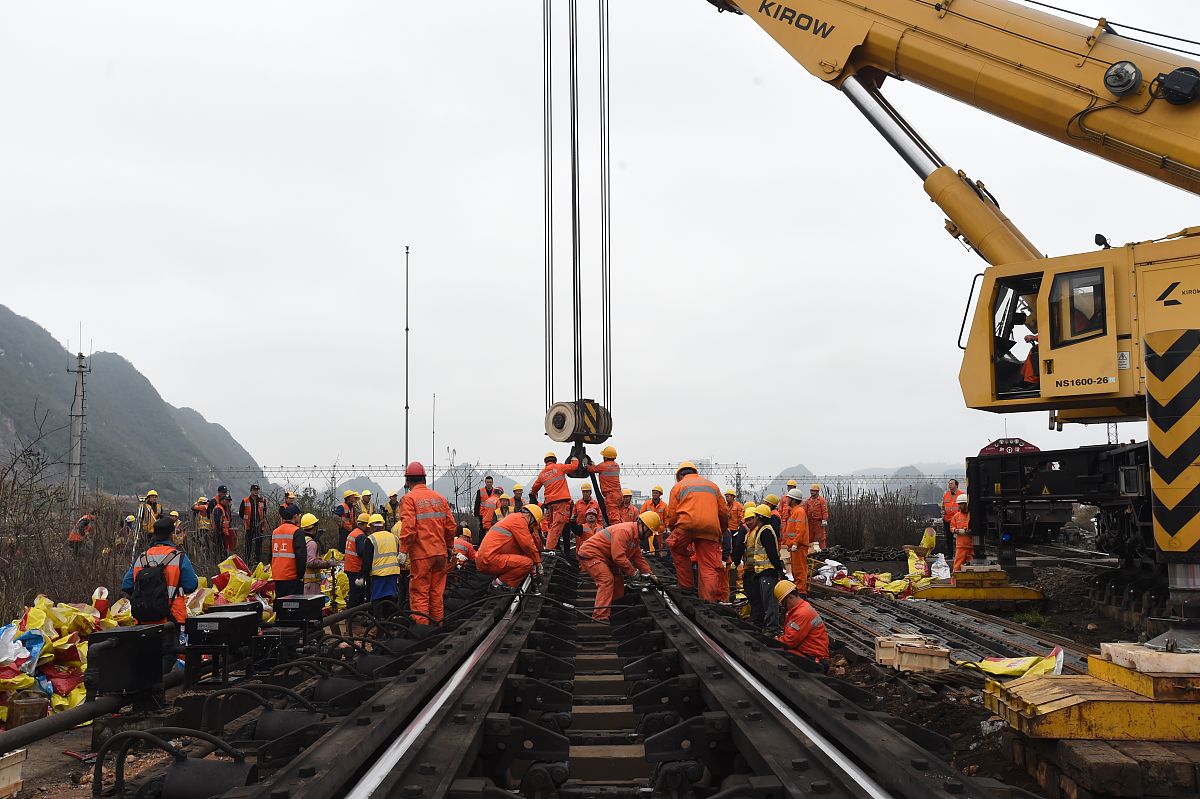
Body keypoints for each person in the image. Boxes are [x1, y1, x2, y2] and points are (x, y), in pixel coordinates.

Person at [122, 517, 199, 671]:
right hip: (170, 618)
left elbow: (127, 584)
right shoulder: (178, 557)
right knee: (168, 656)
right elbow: (191, 585)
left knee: (147, 658)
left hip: (143, 619)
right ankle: (160, 691)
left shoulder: (141, 558)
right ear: (171, 535)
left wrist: (146, 598)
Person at [399, 461, 457, 625]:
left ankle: (422, 632)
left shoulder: (409, 499)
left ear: (408, 481)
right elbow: (451, 526)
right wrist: (450, 547)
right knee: (436, 593)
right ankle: (438, 626)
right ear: (424, 479)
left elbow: (409, 527)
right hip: (440, 554)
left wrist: (403, 550)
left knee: (420, 593)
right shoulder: (440, 499)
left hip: (422, 556)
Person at [577, 512, 661, 621]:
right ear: (642, 525)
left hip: (605, 557)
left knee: (618, 582)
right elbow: (618, 558)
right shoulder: (624, 531)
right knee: (606, 580)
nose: (650, 535)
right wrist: (633, 573)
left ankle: (615, 612)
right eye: (650, 532)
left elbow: (638, 558)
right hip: (592, 554)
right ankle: (600, 617)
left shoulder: (635, 538)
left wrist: (651, 575)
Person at [666, 461, 730, 603]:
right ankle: (709, 601)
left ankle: (686, 586)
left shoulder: (678, 487)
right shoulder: (712, 486)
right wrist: (720, 531)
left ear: (680, 475)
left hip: (686, 526)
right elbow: (724, 513)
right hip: (711, 529)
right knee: (708, 566)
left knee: (675, 547)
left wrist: (673, 530)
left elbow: (671, 515)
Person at [477, 504, 544, 588]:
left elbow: (521, 550)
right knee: (527, 564)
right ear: (530, 516)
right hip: (489, 559)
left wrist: (533, 570)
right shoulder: (519, 520)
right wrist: (538, 563)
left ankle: (498, 583)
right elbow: (528, 545)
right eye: (533, 524)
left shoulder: (513, 518)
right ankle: (498, 585)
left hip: (486, 558)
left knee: (522, 561)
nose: (531, 527)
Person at [742, 503, 784, 632]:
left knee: (770, 602)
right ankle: (768, 625)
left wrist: (778, 568)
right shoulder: (762, 530)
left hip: (768, 572)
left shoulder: (765, 531)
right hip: (762, 572)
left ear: (759, 517)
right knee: (766, 601)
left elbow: (771, 553)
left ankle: (772, 628)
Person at [530, 452, 580, 553]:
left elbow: (534, 488)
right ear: (555, 460)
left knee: (552, 525)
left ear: (546, 462)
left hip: (549, 503)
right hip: (560, 501)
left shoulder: (542, 474)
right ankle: (550, 548)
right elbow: (574, 466)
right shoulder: (559, 467)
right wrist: (574, 457)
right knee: (557, 525)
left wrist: (532, 494)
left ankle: (550, 546)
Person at [774, 579, 830, 670]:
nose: (784, 606)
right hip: (806, 653)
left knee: (778, 656)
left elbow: (790, 641)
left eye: (784, 603)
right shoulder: (798, 609)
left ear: (790, 597)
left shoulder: (802, 613)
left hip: (814, 659)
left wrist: (775, 642)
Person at [359, 514, 402, 605]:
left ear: (371, 526)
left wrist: (362, 576)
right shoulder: (394, 537)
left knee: (377, 599)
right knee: (391, 597)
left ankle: (378, 617)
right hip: (393, 573)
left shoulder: (371, 539)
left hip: (378, 575)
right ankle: (391, 616)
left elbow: (367, 561)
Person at [270, 508, 307, 598]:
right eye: (299, 515)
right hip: (292, 577)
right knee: (294, 607)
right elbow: (301, 557)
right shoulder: (297, 532)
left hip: (277, 577)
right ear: (295, 516)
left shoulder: (275, 532)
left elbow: (270, 555)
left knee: (280, 606)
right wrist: (300, 575)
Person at [780, 488, 810, 585]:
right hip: (795, 547)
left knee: (799, 571)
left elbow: (800, 529)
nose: (786, 500)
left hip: (799, 547)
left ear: (793, 500)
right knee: (796, 571)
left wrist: (795, 543)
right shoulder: (794, 511)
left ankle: (801, 593)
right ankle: (799, 591)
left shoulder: (799, 511)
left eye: (788, 498)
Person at [301, 516, 335, 596]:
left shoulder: (302, 540)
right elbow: (311, 562)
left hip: (305, 581)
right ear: (315, 528)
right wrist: (328, 563)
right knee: (312, 607)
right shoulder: (311, 543)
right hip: (312, 582)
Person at [587, 445, 623, 516]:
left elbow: (591, 469)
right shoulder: (616, 466)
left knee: (613, 517)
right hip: (619, 495)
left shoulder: (603, 466)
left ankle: (616, 527)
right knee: (620, 515)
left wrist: (586, 465)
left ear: (605, 457)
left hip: (611, 496)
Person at [344, 513, 371, 606]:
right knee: (357, 595)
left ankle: (352, 615)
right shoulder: (361, 536)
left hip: (349, 567)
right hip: (356, 569)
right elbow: (362, 552)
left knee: (353, 594)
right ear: (364, 524)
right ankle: (354, 615)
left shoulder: (353, 533)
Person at [239, 484, 268, 565]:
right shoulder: (245, 500)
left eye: (257, 490)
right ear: (251, 491)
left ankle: (257, 560)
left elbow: (265, 511)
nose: (256, 491)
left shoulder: (263, 500)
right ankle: (247, 560)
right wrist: (246, 520)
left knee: (258, 544)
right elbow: (241, 512)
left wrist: (262, 521)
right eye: (254, 490)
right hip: (249, 526)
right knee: (248, 543)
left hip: (259, 526)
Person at [640, 486, 668, 556]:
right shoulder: (647, 503)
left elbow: (666, 518)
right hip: (648, 529)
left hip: (659, 531)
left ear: (660, 494)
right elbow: (641, 514)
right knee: (647, 546)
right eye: (653, 493)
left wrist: (666, 527)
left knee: (659, 547)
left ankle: (658, 557)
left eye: (656, 493)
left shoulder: (664, 505)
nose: (654, 494)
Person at [951, 493, 973, 573]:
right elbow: (952, 528)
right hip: (961, 546)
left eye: (961, 504)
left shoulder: (972, 516)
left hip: (972, 546)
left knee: (971, 567)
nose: (959, 506)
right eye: (959, 504)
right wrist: (957, 530)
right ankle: (955, 583)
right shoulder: (956, 516)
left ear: (966, 504)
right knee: (958, 566)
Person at [803, 484, 829, 550]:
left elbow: (824, 511)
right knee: (810, 538)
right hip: (810, 523)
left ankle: (823, 551)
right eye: (811, 490)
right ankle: (811, 552)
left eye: (814, 491)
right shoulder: (808, 501)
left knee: (820, 538)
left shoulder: (822, 500)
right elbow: (805, 511)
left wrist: (824, 520)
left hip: (818, 523)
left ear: (817, 491)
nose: (812, 492)